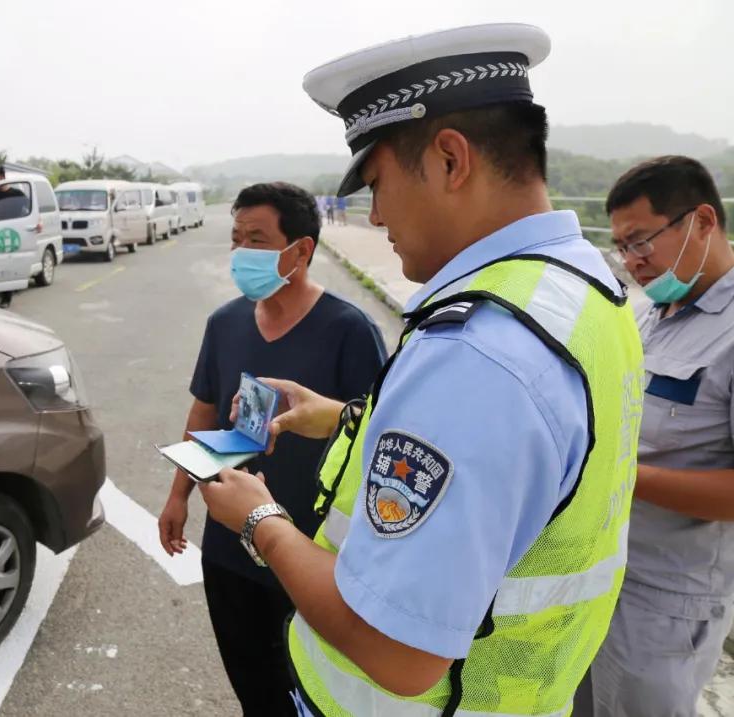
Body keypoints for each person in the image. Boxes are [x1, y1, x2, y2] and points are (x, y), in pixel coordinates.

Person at [198, 23, 645, 716]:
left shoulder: (477, 351)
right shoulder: (580, 293)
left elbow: (399, 653)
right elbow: (515, 468)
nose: (374, 215)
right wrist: (346, 416)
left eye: (376, 183)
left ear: (448, 160)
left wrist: (259, 520)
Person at [157, 181, 387, 716]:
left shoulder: (349, 331)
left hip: (311, 554)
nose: (241, 252)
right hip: (229, 547)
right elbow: (204, 411)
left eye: (256, 239)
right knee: (253, 685)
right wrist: (178, 495)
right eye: (236, 238)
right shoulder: (225, 323)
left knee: (310, 693)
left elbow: (377, 438)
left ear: (301, 250)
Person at [574, 156, 734, 717]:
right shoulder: (648, 317)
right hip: (600, 571)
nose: (632, 262)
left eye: (641, 241)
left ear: (703, 221)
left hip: (666, 602)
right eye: (621, 247)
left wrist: (617, 474)